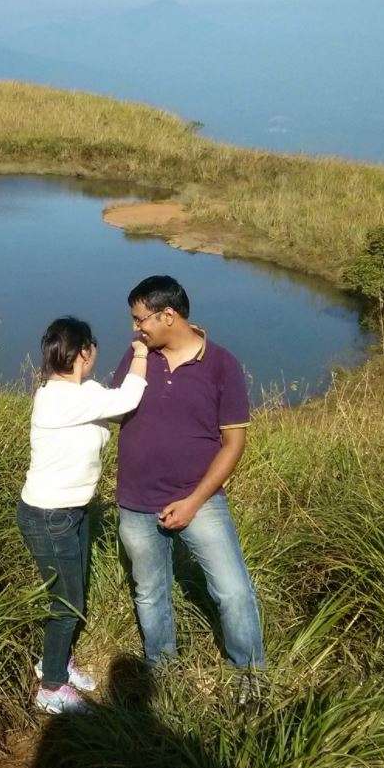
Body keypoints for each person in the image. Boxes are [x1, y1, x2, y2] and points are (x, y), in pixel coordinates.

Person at [109, 275, 265, 703]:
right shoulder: (137, 356)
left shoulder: (221, 365)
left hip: (202, 501)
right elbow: (115, 408)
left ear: (168, 316)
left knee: (233, 592)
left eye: (141, 320)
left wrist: (194, 501)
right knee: (150, 592)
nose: (135, 328)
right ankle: (164, 675)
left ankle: (250, 682)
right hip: (137, 501)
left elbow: (234, 443)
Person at [18, 316, 149, 714]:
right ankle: (51, 687)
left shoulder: (80, 391)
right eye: (92, 347)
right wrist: (141, 351)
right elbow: (126, 399)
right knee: (67, 602)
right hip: (48, 515)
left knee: (71, 593)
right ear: (83, 353)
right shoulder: (60, 398)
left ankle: (53, 660)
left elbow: (111, 400)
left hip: (72, 510)